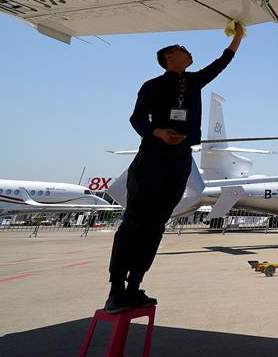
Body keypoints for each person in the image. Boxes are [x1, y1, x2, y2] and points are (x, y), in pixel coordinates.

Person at [105, 25, 245, 313]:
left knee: (157, 224)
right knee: (134, 222)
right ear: (169, 57)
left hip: (181, 160)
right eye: (182, 49)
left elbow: (221, 63)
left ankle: (135, 286)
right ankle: (116, 290)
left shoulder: (194, 82)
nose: (188, 51)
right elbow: (136, 119)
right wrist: (158, 132)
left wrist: (238, 37)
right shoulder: (152, 85)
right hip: (152, 157)